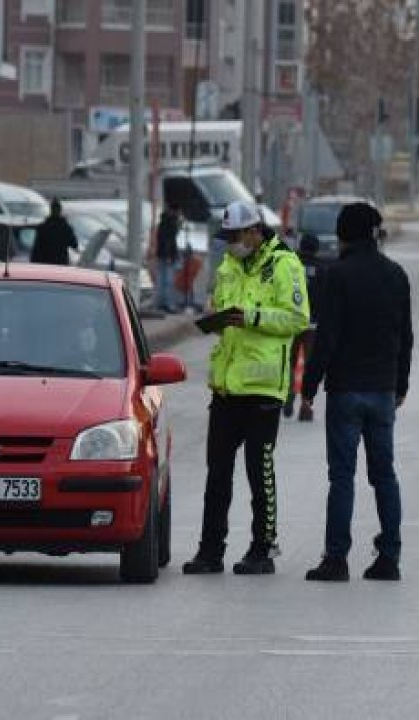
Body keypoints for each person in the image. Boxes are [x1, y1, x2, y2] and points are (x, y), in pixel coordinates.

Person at [182, 201, 310, 576]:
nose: (232, 244)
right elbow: (220, 307)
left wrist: (252, 317)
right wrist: (214, 318)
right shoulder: (228, 267)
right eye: (229, 238)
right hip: (226, 387)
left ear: (255, 231)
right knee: (217, 473)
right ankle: (210, 551)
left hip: (263, 390)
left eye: (237, 237)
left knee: (260, 472)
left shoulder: (285, 265)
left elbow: (298, 318)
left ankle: (262, 548)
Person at [301, 203, 413, 582]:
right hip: (382, 390)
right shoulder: (396, 275)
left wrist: (309, 385)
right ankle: (390, 557)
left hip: (346, 390)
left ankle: (336, 558)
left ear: (345, 234)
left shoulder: (338, 276)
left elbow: (327, 336)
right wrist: (401, 384)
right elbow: (406, 336)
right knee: (384, 475)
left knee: (342, 477)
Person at [286, 233, 327, 422]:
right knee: (310, 366)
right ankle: (306, 405)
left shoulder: (289, 265)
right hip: (313, 323)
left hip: (290, 321)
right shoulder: (322, 268)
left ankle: (287, 394)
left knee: (289, 361)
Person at [30, 199, 78, 266]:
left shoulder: (43, 227)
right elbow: (74, 244)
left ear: (51, 210)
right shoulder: (65, 227)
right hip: (60, 262)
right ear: (60, 210)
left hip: (46, 262)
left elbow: (36, 249)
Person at [155, 203, 183, 313]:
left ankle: (160, 303)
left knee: (161, 279)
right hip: (168, 255)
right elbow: (169, 240)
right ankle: (167, 304)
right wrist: (169, 255)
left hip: (163, 254)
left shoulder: (164, 221)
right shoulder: (170, 222)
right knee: (168, 280)